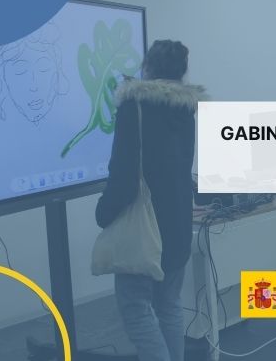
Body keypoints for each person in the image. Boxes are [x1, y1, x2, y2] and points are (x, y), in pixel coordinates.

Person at [96, 40, 205, 361]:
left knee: (136, 309)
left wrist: (104, 212)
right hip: (178, 222)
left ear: (148, 67)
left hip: (144, 227)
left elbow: (124, 173)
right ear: (182, 72)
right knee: (169, 305)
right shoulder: (185, 110)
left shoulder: (135, 107)